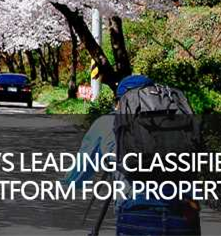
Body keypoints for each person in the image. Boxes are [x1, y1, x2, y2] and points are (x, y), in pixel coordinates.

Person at [65, 75, 200, 236]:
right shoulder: (174, 119)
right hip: (184, 210)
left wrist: (68, 183)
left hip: (136, 211)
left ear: (120, 101)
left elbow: (80, 171)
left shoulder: (106, 123)